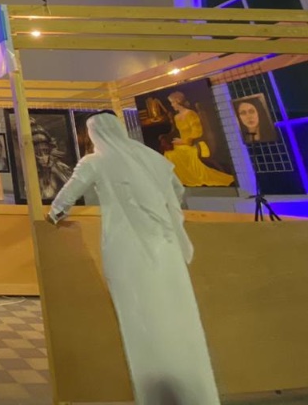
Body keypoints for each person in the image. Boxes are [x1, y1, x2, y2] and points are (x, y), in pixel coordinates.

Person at [48, 111, 220, 405]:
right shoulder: (149, 156)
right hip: (165, 242)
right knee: (174, 306)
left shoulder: (95, 161)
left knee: (137, 309)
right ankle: (191, 385)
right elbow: (177, 189)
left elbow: (67, 195)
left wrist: (54, 215)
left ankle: (151, 385)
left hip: (125, 244)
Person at [165, 92, 234, 187]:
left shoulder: (191, 114)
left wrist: (184, 141)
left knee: (174, 155)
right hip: (182, 145)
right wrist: (179, 141)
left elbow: (197, 132)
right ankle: (183, 179)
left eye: (173, 102)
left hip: (195, 143)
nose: (172, 105)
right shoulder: (176, 117)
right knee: (169, 154)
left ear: (178, 101)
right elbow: (181, 133)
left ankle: (192, 178)